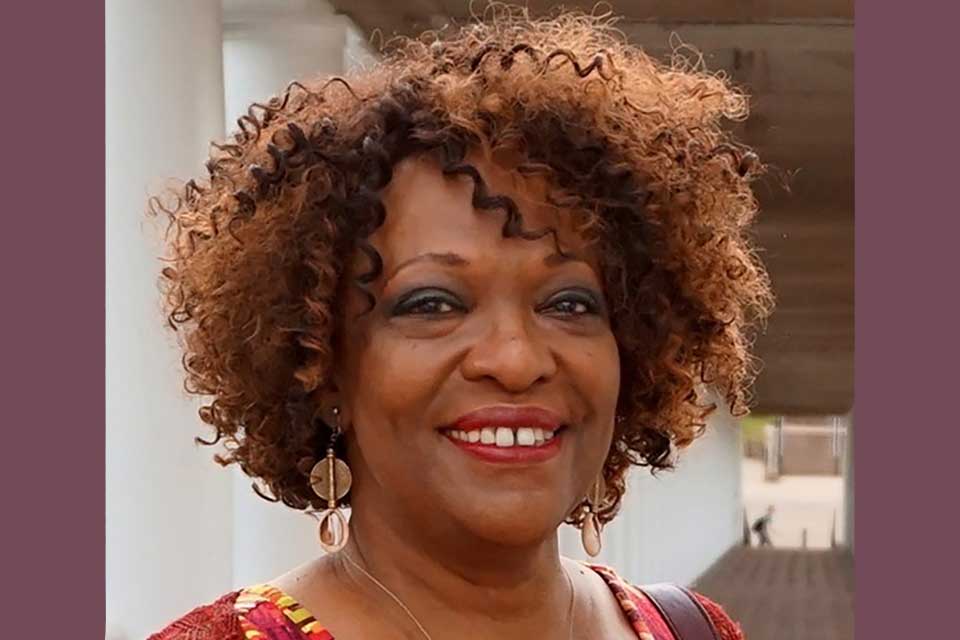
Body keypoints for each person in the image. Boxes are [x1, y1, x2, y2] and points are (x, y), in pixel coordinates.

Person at [147, 6, 772, 639]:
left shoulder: (695, 631)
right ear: (323, 368)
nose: (517, 359)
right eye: (433, 304)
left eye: (569, 304)